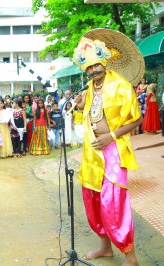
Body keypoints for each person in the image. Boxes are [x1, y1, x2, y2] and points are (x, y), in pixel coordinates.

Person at [73, 31, 143, 265]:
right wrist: (80, 108)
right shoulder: (90, 89)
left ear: (104, 61)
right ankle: (105, 247)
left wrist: (111, 136)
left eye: (95, 65)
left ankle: (130, 256)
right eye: (89, 68)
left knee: (113, 203)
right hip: (92, 152)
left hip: (112, 151)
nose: (93, 71)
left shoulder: (122, 86)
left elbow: (137, 120)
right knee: (93, 199)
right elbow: (88, 118)